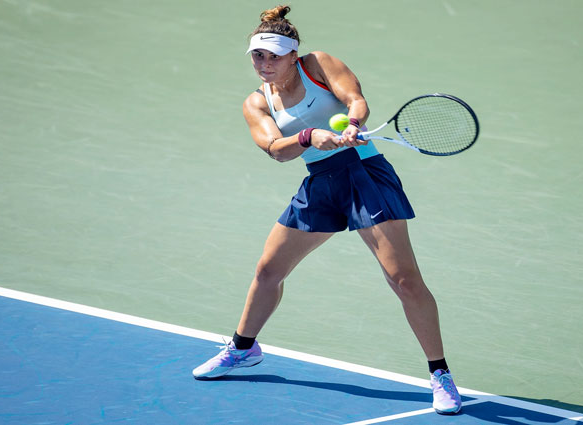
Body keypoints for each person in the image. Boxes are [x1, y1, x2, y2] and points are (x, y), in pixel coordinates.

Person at [192, 5, 461, 415]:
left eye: (273, 56)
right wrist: (308, 136)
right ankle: (243, 348)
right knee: (268, 271)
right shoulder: (256, 103)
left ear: (293, 57)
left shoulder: (318, 65)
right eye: (257, 56)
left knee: (403, 280)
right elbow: (273, 150)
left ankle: (440, 374)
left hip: (365, 174)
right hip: (320, 184)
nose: (264, 64)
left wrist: (351, 123)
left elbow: (355, 99)